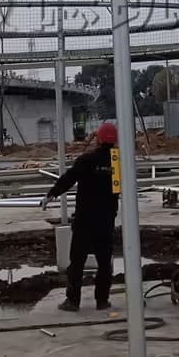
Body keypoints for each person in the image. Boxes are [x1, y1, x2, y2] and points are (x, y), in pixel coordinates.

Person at [40, 121, 120, 312]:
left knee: (77, 261)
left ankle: (72, 301)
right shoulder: (117, 162)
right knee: (104, 262)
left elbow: (69, 178)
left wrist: (51, 195)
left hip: (85, 219)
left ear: (98, 139)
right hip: (106, 220)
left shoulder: (87, 159)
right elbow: (119, 189)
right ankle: (102, 300)